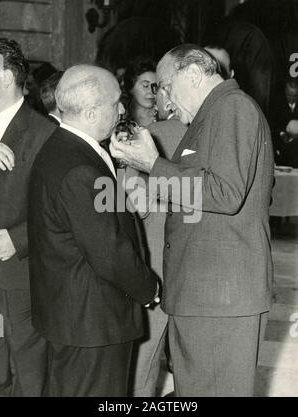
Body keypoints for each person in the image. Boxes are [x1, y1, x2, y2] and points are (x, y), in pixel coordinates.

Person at [110, 44, 274, 397]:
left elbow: (227, 194)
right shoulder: (211, 116)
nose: (164, 100)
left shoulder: (232, 108)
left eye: (166, 87)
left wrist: (153, 165)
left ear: (195, 75)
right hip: (204, 295)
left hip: (219, 297)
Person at [27, 64, 159, 397]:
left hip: (75, 317)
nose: (122, 109)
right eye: (116, 102)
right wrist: (148, 288)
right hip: (94, 323)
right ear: (89, 112)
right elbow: (109, 252)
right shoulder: (80, 167)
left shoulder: (60, 148)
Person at [0, 38, 56, 396]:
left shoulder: (44, 133)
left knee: (27, 377)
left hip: (19, 275)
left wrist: (17, 238)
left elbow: (60, 209)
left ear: (5, 78)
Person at [129, 83, 187, 397]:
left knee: (143, 368)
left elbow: (134, 207)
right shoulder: (216, 132)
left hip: (155, 266)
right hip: (200, 274)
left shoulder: (153, 135)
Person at [270, 77, 298, 167]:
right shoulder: (277, 105)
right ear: (285, 91)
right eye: (289, 95)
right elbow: (273, 125)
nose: (292, 99)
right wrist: (281, 133)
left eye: (295, 96)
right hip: (282, 147)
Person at [123, 57, 157, 127]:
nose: (151, 91)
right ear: (130, 87)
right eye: (145, 85)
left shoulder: (164, 118)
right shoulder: (120, 118)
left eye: (155, 86)